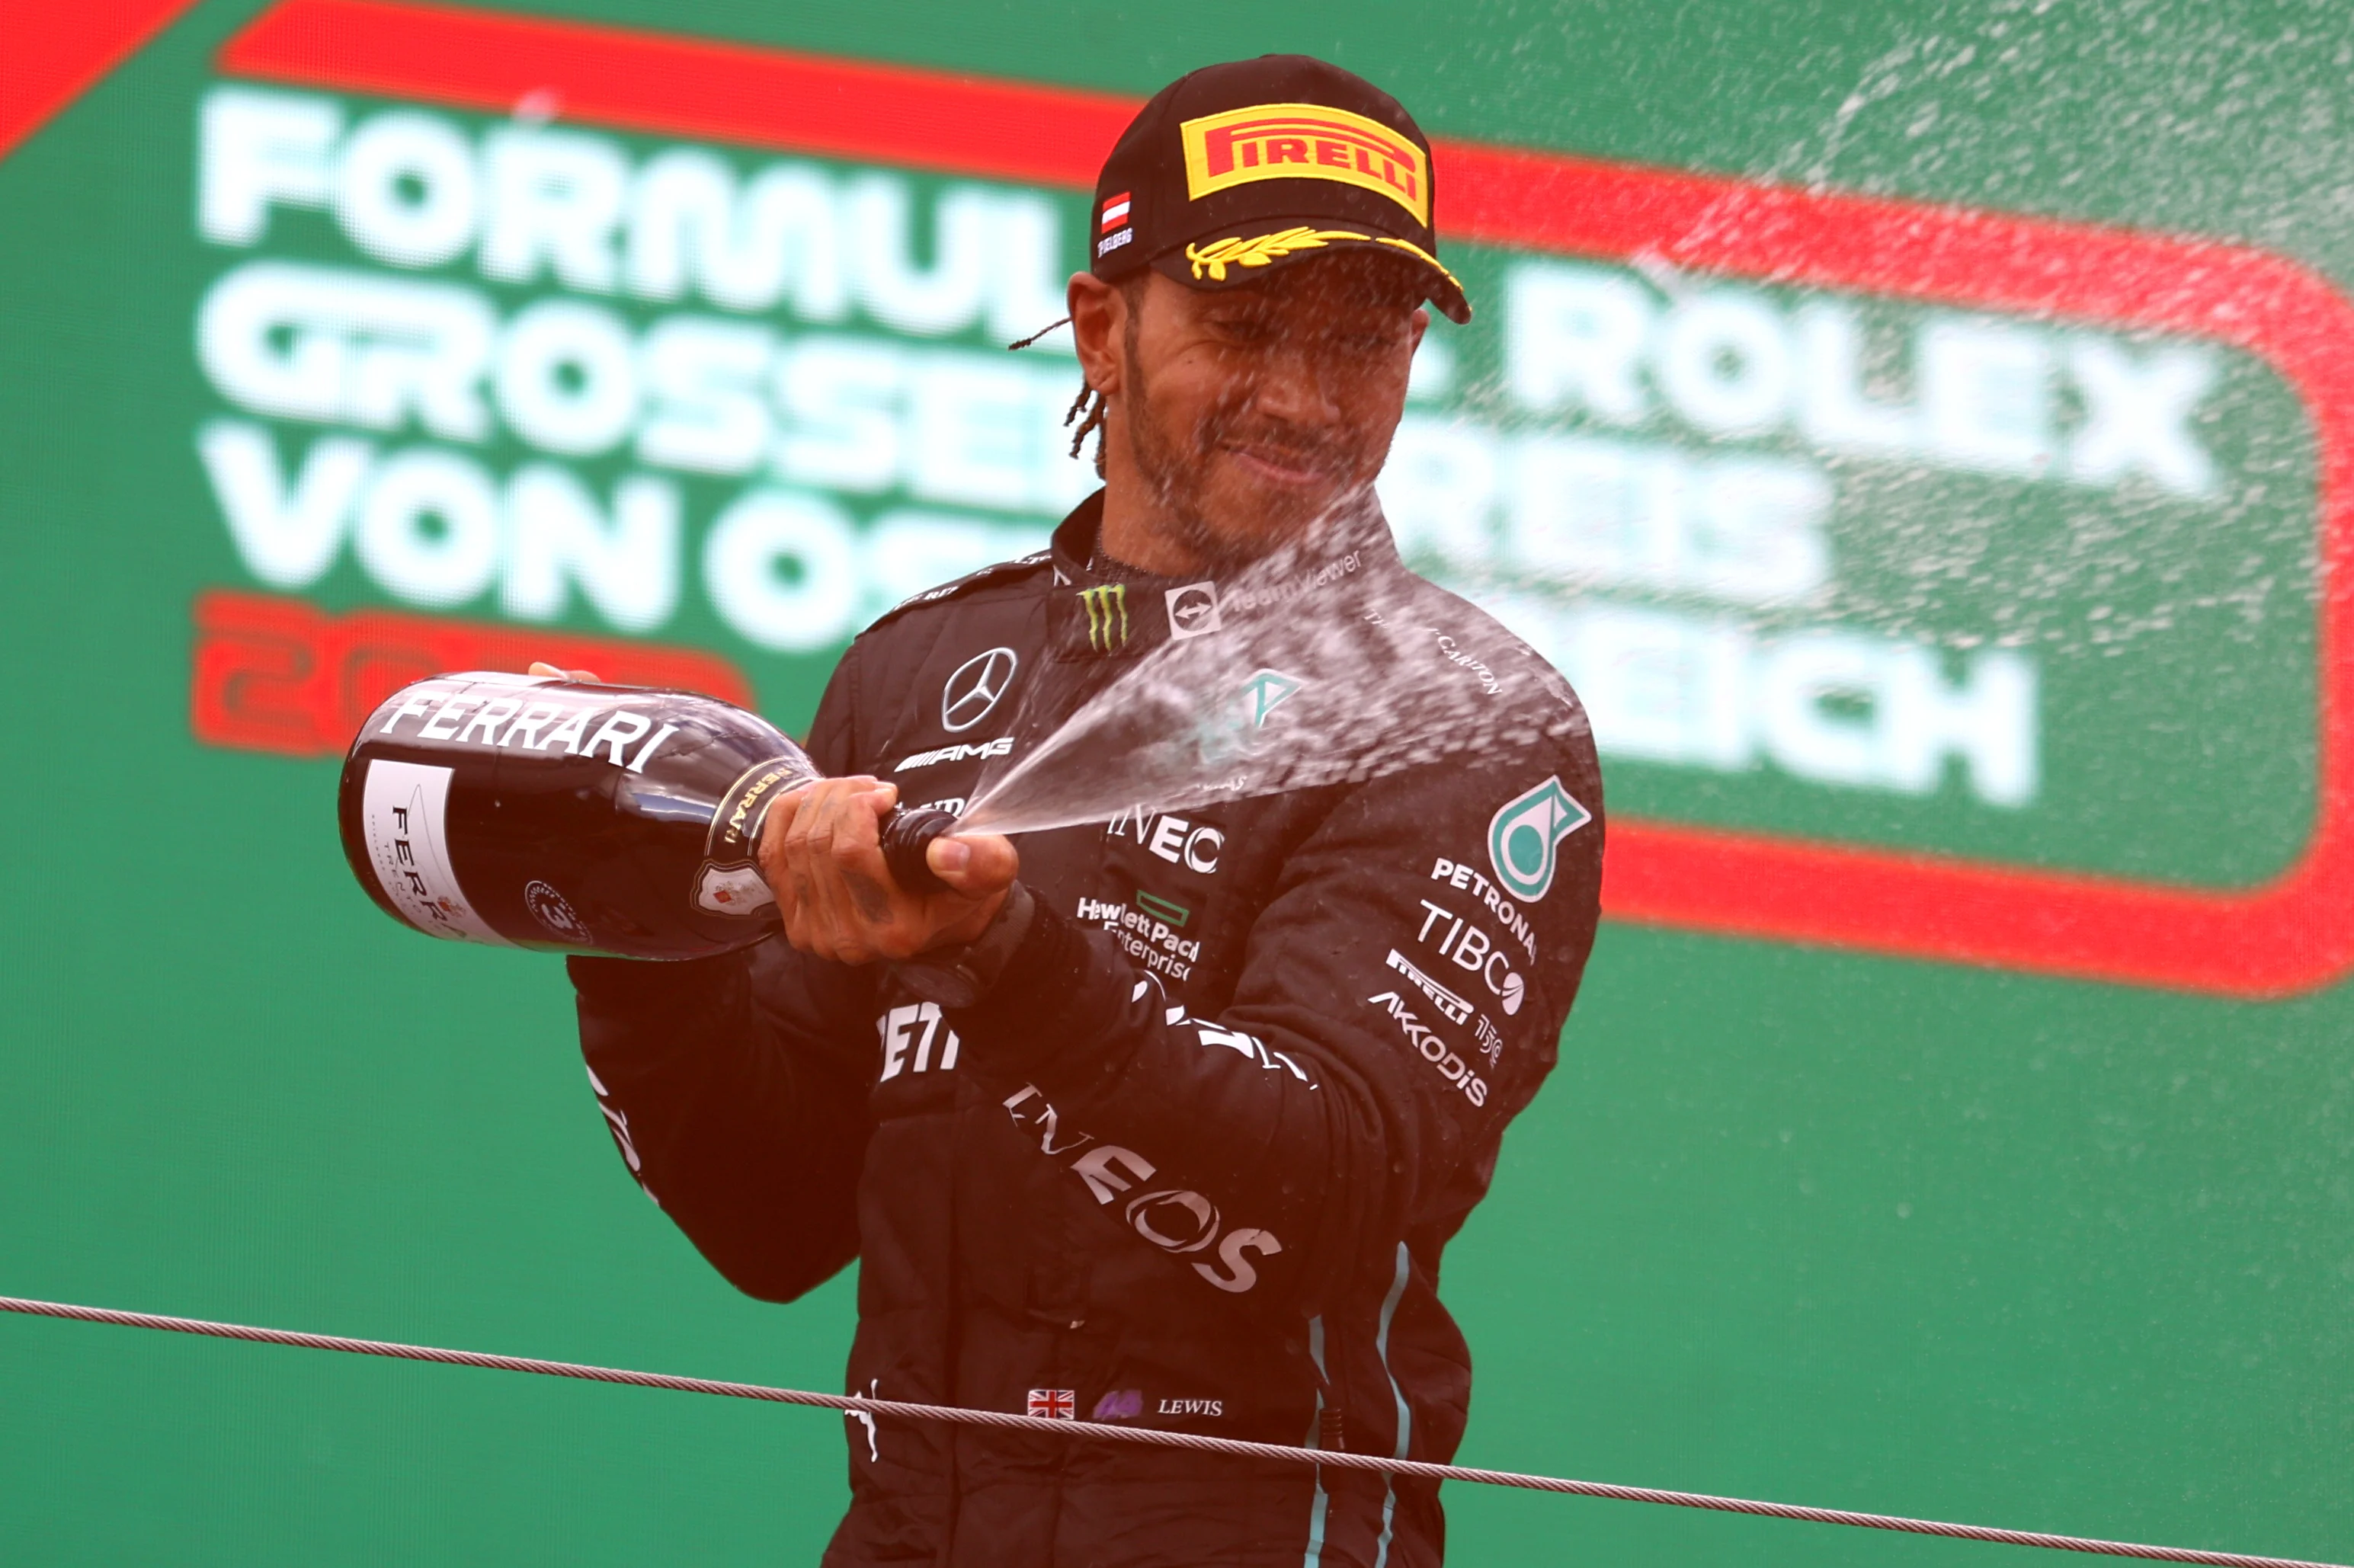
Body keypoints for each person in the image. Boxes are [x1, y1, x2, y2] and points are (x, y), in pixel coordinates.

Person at [562, 55, 1605, 1567]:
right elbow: (770, 1223)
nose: (1305, 399)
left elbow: (1329, 1198)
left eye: (1361, 345)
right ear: (1104, 328)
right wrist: (635, 936)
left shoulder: (1456, 714)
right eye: (1245, 329)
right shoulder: (917, 670)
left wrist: (1006, 958)